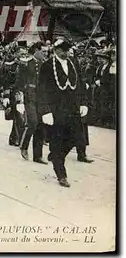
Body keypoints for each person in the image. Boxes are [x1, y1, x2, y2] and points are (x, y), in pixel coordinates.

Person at [37, 38, 89, 188]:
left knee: (77, 138)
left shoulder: (73, 63)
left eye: (68, 49)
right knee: (57, 141)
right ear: (56, 50)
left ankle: (55, 155)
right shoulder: (47, 66)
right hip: (56, 110)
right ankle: (61, 174)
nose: (67, 52)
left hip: (72, 109)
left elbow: (79, 84)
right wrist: (45, 111)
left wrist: (84, 102)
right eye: (64, 49)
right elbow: (42, 89)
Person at [16, 43, 47, 164]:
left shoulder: (44, 65)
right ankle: (24, 146)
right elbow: (19, 81)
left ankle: (37, 156)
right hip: (29, 96)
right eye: (43, 51)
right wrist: (20, 97)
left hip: (41, 97)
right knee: (33, 122)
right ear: (36, 51)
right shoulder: (25, 63)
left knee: (41, 125)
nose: (45, 54)